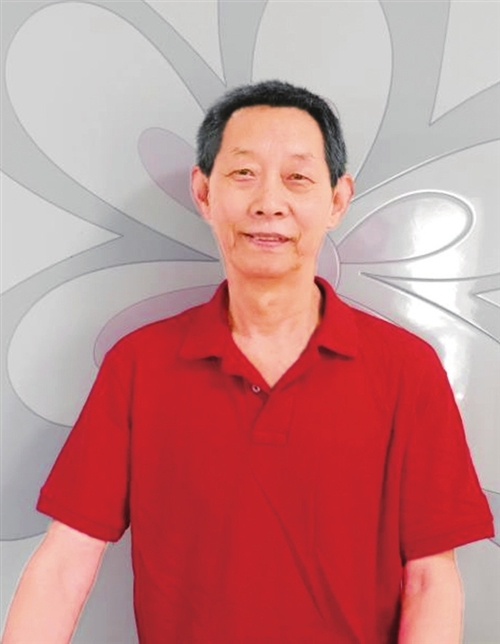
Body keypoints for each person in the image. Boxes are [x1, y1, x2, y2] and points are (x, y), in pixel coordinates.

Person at [3, 80, 494, 644]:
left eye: (297, 178)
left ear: (337, 200)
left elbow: (431, 581)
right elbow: (64, 567)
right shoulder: (138, 365)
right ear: (204, 192)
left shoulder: (407, 369)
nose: (268, 203)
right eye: (243, 173)